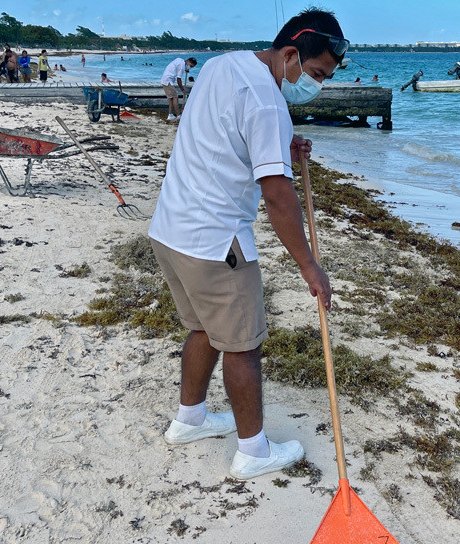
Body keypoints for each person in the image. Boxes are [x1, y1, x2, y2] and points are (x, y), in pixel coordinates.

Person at [147, 9, 346, 480]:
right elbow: (278, 196)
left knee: (203, 329)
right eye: (316, 74)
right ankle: (253, 451)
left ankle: (189, 420)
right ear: (292, 54)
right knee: (242, 345)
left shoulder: (223, 64)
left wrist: (280, 144)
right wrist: (310, 266)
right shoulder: (267, 103)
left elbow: (222, 129)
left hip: (170, 229)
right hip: (215, 240)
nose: (316, 84)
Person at [160, 56, 197, 121]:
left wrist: (185, 69)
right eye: (190, 66)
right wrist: (182, 89)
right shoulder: (182, 67)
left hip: (166, 79)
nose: (190, 67)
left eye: (191, 67)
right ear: (188, 62)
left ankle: (170, 115)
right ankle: (178, 115)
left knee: (171, 98)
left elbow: (176, 67)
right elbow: (179, 79)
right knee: (175, 98)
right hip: (167, 81)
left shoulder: (180, 60)